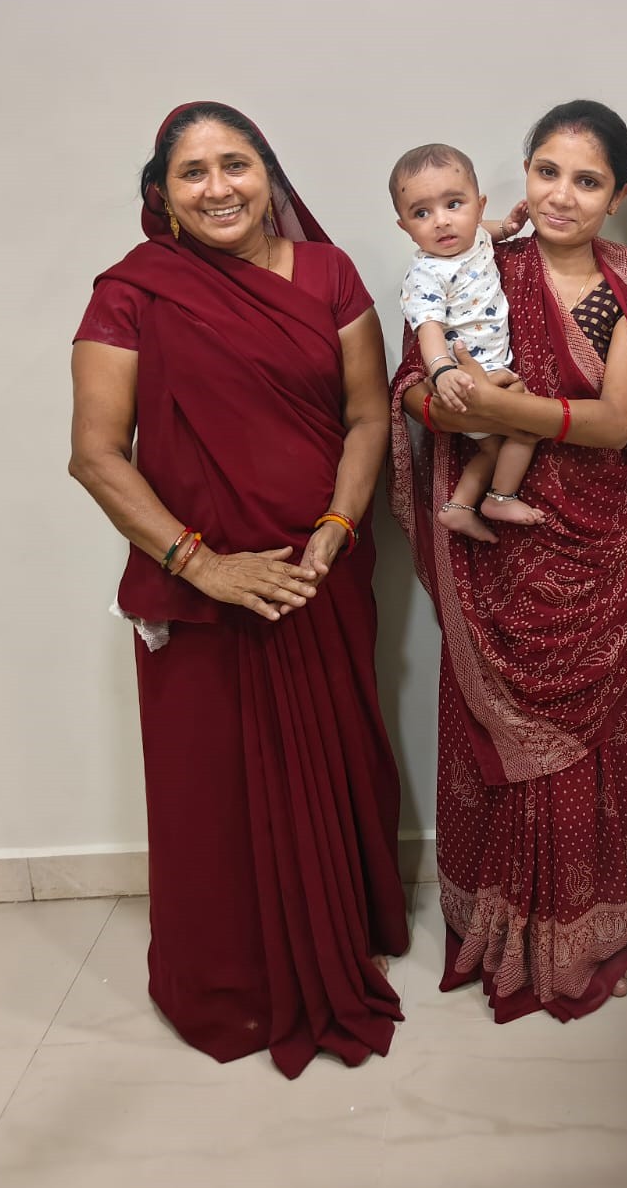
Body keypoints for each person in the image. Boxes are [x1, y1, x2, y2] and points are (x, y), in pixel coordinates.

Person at [69, 101, 409, 1078]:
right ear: (162, 195)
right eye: (193, 172)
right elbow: (96, 455)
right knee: (209, 788)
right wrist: (204, 565)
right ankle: (227, 975)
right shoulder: (132, 294)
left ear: (269, 176)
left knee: (335, 757)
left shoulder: (330, 275)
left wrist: (337, 529)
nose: (218, 187)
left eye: (236, 164)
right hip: (203, 595)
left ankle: (336, 933)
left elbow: (367, 417)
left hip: (321, 577)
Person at [389, 100, 627, 1019]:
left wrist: (498, 411)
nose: (561, 195)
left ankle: (585, 936)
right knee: (500, 748)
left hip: (596, 546)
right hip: (495, 555)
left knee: (591, 750)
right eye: (547, 172)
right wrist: (441, 403)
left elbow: (616, 423)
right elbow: (413, 385)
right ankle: (499, 930)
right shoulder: (481, 261)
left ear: (617, 196)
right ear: (522, 176)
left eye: (587, 181)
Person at [391, 142, 536, 541]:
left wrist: (508, 228)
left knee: (491, 449)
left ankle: (459, 506)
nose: (442, 222)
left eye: (454, 204)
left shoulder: (476, 239)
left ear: (478, 205)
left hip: (491, 366)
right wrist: (442, 373)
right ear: (405, 227)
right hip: (468, 378)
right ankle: (501, 497)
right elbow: (428, 330)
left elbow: (486, 230)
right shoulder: (427, 274)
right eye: (422, 213)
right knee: (528, 425)